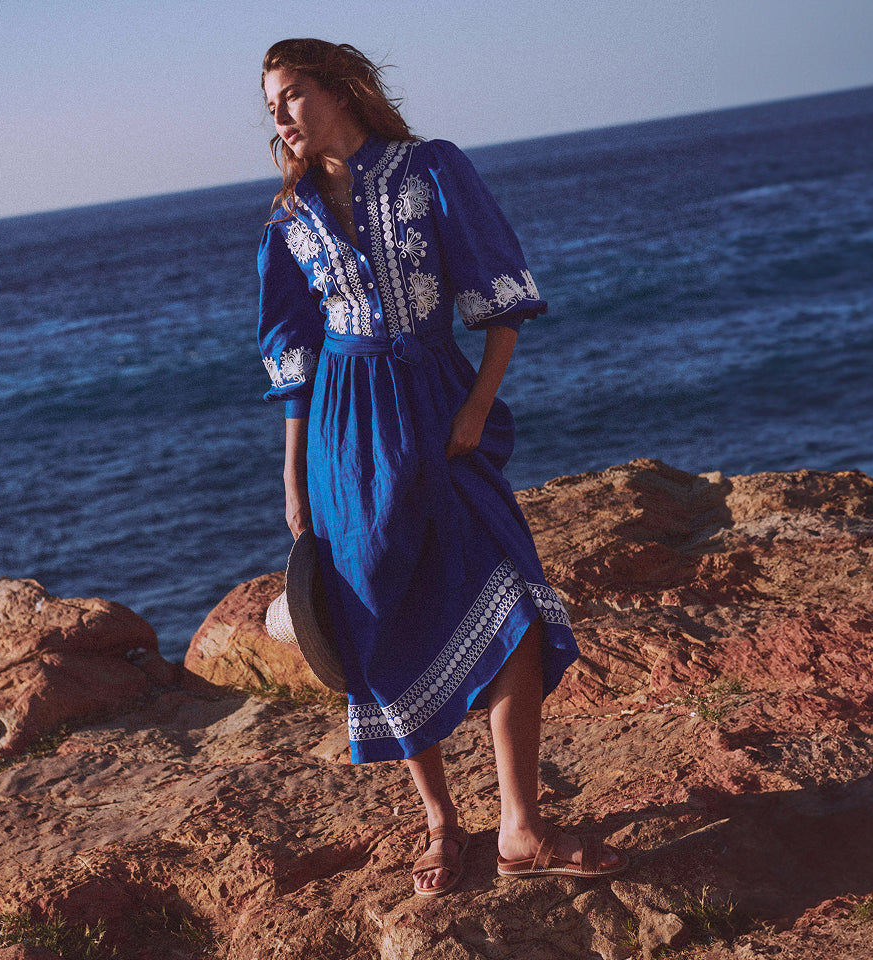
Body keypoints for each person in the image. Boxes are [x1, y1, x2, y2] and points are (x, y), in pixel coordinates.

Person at [257, 38, 627, 896]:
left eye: (293, 94)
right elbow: (292, 356)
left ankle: (521, 829)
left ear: (341, 90)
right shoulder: (289, 217)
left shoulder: (429, 169)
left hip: (436, 401)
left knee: (508, 591)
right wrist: (292, 478)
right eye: (270, 103)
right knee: (371, 615)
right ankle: (439, 821)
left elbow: (500, 298)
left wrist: (474, 405)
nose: (278, 115)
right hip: (344, 433)